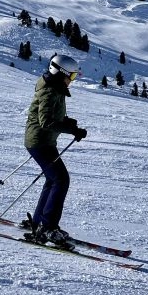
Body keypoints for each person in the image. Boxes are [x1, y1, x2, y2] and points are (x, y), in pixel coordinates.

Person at [21, 54, 88, 247]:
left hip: (43, 141)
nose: (72, 81)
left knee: (53, 179)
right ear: (61, 73)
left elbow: (52, 116)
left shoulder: (55, 88)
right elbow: (47, 121)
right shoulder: (50, 91)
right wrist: (71, 129)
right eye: (72, 77)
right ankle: (48, 228)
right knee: (60, 179)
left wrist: (69, 124)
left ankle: (39, 222)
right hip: (40, 142)